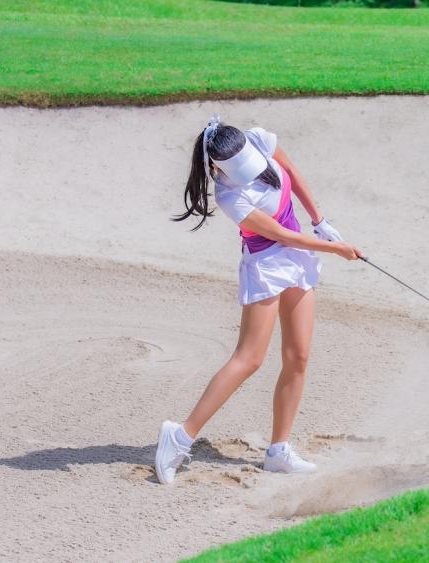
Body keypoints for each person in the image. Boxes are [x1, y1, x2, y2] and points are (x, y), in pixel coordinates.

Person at [154, 115, 363, 484]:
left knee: (298, 356)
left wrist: (319, 220)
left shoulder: (260, 139)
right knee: (249, 358)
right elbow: (282, 235)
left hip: (297, 257)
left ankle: (279, 451)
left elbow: (291, 172)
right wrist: (336, 248)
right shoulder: (230, 197)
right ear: (217, 167)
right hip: (266, 265)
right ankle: (179, 436)